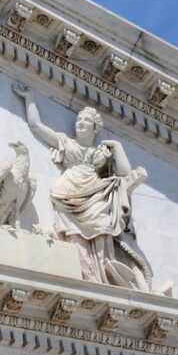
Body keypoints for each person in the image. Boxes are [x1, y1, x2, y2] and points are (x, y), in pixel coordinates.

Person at [17, 84, 155, 289]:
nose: (81, 122)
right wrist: (30, 99)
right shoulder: (66, 143)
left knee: (102, 228)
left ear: (95, 128)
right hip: (69, 193)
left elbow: (125, 172)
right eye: (79, 119)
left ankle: (103, 277)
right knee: (74, 235)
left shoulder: (102, 152)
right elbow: (36, 126)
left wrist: (117, 146)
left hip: (95, 193)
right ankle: (85, 274)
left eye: (86, 120)